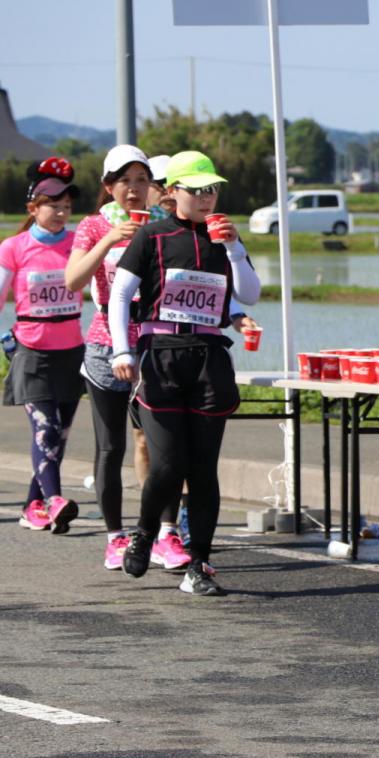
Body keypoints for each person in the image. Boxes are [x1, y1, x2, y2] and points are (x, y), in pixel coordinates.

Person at [107, 150, 261, 597]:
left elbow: (248, 294)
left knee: (203, 467)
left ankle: (200, 563)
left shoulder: (224, 238)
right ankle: (143, 532)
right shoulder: (152, 236)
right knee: (169, 462)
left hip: (209, 357)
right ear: (172, 192)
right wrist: (122, 349)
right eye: (196, 190)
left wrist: (234, 247)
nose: (207, 197)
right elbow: (120, 296)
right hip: (161, 355)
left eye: (212, 189)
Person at [66, 144, 191, 572]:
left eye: (142, 181)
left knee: (165, 446)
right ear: (108, 187)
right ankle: (115, 538)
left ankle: (166, 534)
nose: (135, 190)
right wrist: (107, 240)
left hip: (155, 342)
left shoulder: (161, 223)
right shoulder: (91, 226)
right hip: (104, 345)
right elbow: (71, 281)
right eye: (125, 182)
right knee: (111, 446)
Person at [0, 158, 84, 535]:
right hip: (31, 351)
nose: (61, 212)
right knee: (45, 430)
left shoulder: (79, 243)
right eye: (53, 205)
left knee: (60, 436)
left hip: (72, 350)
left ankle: (32, 506)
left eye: (67, 205)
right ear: (33, 208)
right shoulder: (13, 248)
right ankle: (54, 501)